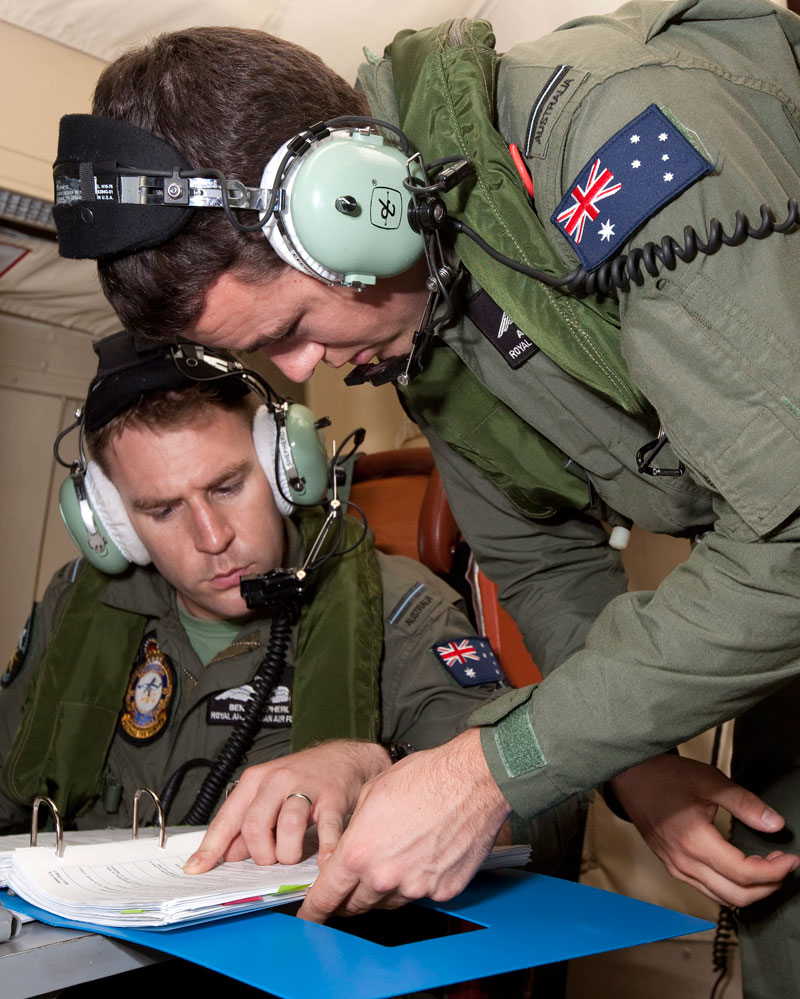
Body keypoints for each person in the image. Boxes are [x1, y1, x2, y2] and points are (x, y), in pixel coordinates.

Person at [49, 3, 800, 995]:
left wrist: (485, 770)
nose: (304, 367)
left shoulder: (623, 132)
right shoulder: (430, 320)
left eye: (292, 325)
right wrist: (637, 761)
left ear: (352, 201)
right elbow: (541, 559)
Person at [1, 330, 558, 875]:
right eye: (163, 511)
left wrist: (376, 767)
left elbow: (549, 812)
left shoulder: (398, 610)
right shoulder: (77, 606)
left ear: (284, 468)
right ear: (114, 525)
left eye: (226, 487)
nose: (211, 537)